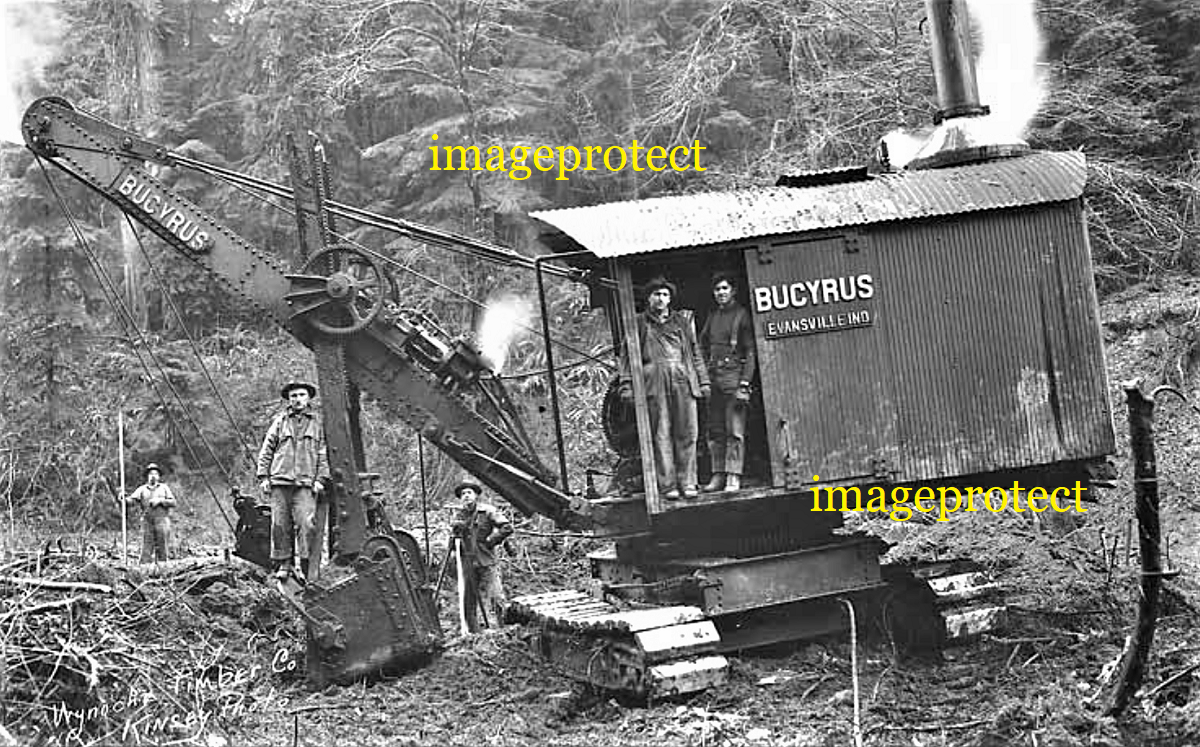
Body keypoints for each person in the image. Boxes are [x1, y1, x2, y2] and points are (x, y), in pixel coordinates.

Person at [618, 277, 710, 500]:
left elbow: (695, 353)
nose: (661, 299)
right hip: (654, 383)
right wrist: (626, 385)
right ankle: (668, 485)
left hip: (683, 379)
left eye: (665, 295)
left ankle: (688, 482)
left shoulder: (681, 321)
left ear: (670, 299)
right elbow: (627, 357)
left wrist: (703, 380)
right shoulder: (639, 323)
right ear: (648, 298)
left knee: (688, 432)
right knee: (661, 434)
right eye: (656, 294)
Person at [256, 381, 328, 580]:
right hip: (280, 481)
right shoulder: (280, 421)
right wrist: (263, 477)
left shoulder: (318, 423)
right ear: (289, 399)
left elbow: (324, 453)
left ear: (309, 398)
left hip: (305, 483)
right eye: (294, 395)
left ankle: (307, 567)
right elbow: (267, 449)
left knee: (306, 523)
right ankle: (284, 564)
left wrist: (321, 479)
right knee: (279, 524)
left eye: (302, 395)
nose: (298, 399)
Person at [699, 272, 757, 493]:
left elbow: (751, 352)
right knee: (715, 430)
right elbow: (702, 347)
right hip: (714, 380)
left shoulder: (742, 316)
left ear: (733, 290)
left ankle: (734, 475)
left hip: (734, 379)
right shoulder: (713, 317)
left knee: (735, 430)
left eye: (724, 288)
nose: (721, 293)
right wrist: (703, 374)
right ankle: (718, 475)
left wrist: (745, 384)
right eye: (717, 289)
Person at [450, 480, 513, 632]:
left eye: (469, 493)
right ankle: (474, 632)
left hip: (486, 560)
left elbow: (507, 527)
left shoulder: (488, 511)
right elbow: (453, 542)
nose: (466, 496)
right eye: (463, 494)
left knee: (495, 596)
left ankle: (501, 629)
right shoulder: (459, 516)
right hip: (468, 562)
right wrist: (455, 535)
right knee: (468, 599)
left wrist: (491, 541)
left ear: (476, 495)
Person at [125, 462, 176, 562]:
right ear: (147, 476)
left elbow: (173, 502)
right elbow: (131, 501)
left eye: (155, 474)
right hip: (147, 521)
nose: (153, 476)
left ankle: (164, 569)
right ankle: (144, 570)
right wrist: (123, 498)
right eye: (151, 474)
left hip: (162, 520)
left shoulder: (164, 488)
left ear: (159, 477)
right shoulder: (142, 489)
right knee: (146, 547)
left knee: (163, 547)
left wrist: (160, 501)